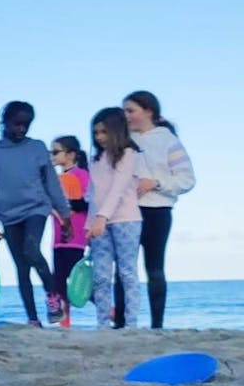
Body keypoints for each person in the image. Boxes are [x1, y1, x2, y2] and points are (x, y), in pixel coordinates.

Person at [0, 101, 73, 327]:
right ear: (5, 122)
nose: (22, 129)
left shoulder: (37, 148)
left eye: (26, 124)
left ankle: (53, 298)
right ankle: (33, 319)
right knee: (21, 267)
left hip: (36, 208)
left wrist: (65, 215)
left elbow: (52, 183)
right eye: (17, 123)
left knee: (31, 250)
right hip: (7, 214)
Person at [114, 90, 196, 329]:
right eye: (124, 111)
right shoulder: (122, 139)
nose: (126, 116)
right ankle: (120, 324)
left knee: (155, 268)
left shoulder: (168, 140)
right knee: (124, 269)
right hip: (126, 212)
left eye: (131, 111)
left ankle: (157, 326)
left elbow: (187, 179)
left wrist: (156, 183)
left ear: (148, 111)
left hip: (158, 210)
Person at [86, 108, 142, 329]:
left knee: (127, 273)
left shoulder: (129, 154)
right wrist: (90, 224)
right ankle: (102, 323)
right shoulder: (96, 159)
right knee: (100, 276)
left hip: (126, 220)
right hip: (99, 224)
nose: (99, 137)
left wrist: (101, 217)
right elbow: (93, 194)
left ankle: (131, 324)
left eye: (104, 132)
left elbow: (118, 189)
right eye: (96, 133)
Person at [49, 135, 90, 328]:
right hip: (58, 237)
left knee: (77, 280)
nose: (52, 155)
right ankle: (65, 322)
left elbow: (86, 202)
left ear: (71, 154)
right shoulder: (55, 179)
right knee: (59, 281)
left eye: (56, 152)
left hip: (76, 236)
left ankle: (112, 311)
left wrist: (64, 207)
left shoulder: (81, 174)